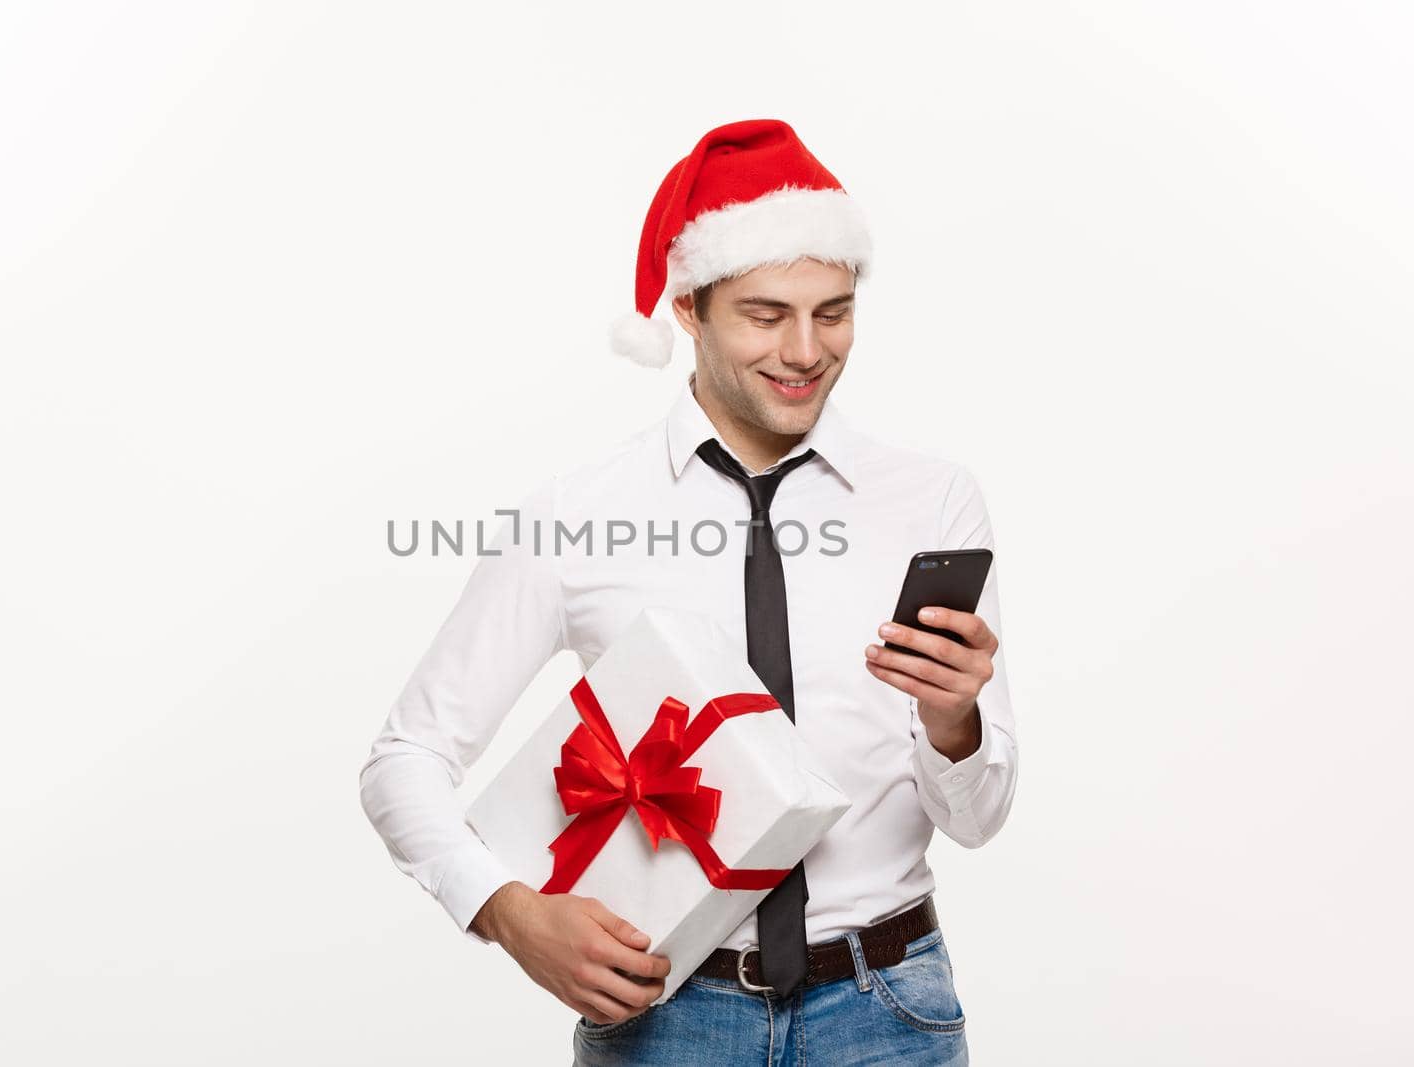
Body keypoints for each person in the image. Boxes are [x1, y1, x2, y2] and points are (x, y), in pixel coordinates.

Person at [359, 118, 1018, 1066]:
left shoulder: (933, 500)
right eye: (764, 313)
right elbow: (404, 757)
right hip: (667, 1017)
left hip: (889, 1010)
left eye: (832, 311)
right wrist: (510, 915)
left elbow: (978, 819)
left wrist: (957, 724)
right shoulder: (576, 515)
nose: (805, 351)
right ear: (687, 307)